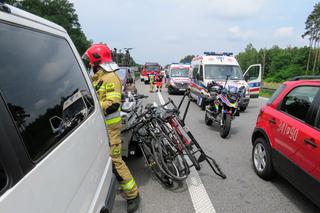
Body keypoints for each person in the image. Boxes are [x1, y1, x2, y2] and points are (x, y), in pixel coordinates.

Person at [82, 43, 140, 213]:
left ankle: (132, 195)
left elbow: (113, 105)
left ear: (97, 61)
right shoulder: (98, 77)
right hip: (100, 126)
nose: (90, 65)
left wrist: (92, 104)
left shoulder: (110, 78)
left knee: (115, 160)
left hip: (110, 128)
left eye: (91, 62)